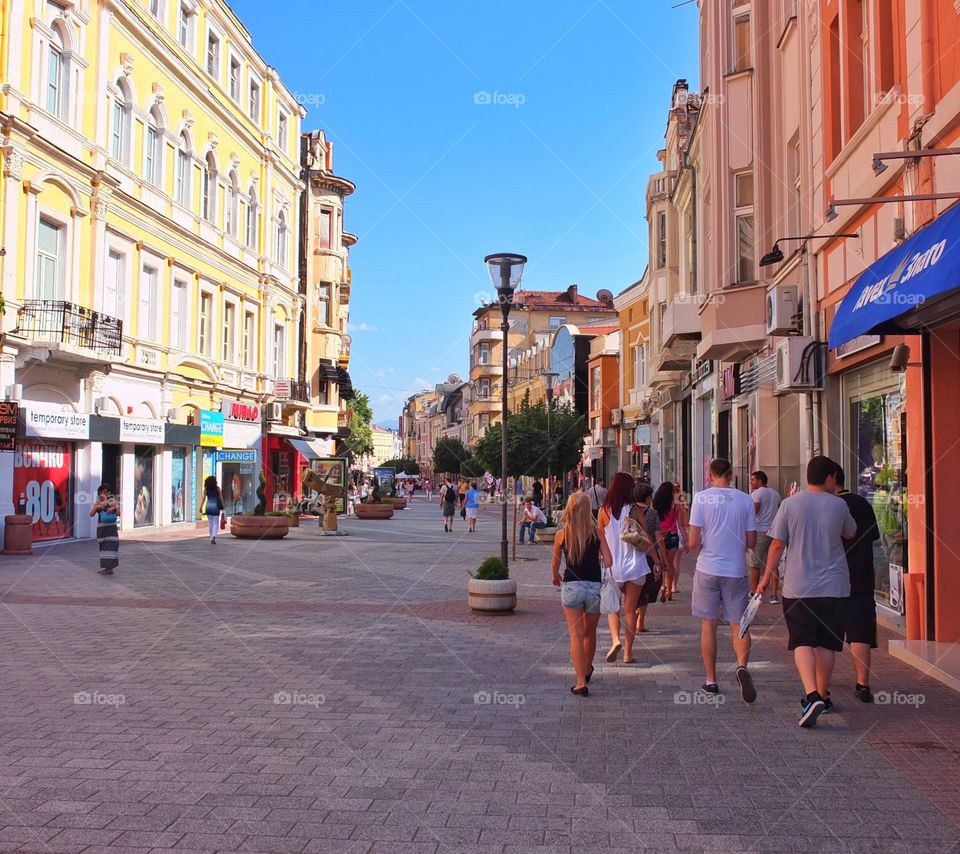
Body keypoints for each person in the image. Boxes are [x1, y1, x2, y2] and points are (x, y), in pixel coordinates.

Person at [757, 456, 858, 727]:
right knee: (826, 644)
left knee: (801, 641)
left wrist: (765, 578)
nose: (836, 484)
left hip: (798, 585)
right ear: (829, 478)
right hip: (834, 587)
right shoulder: (839, 505)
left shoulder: (790, 504)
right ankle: (821, 696)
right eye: (835, 479)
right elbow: (851, 532)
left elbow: (777, 545)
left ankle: (811, 694)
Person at [688, 458, 758, 703]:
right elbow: (751, 542)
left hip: (708, 567)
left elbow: (694, 541)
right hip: (736, 570)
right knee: (739, 623)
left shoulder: (701, 498)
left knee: (709, 624)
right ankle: (741, 666)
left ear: (709, 474)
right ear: (732, 475)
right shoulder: (745, 499)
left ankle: (711, 680)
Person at [551, 491, 614, 696]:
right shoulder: (597, 532)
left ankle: (580, 683)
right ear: (588, 510)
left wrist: (555, 577)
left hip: (571, 587)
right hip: (594, 587)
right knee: (590, 633)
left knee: (575, 636)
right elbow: (609, 561)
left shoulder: (562, 533)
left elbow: (554, 562)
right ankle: (587, 669)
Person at [834, 465, 880, 703]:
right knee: (860, 630)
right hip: (861, 574)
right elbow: (873, 536)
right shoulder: (862, 503)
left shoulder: (830, 506)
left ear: (831, 480)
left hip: (832, 577)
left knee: (827, 633)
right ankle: (863, 684)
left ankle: (821, 686)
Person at [598, 472, 649, 664]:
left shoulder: (604, 511)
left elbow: (600, 537)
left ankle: (615, 640)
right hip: (635, 565)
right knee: (630, 610)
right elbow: (645, 534)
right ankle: (628, 653)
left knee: (613, 607)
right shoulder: (635, 510)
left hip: (613, 567)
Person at [633, 482, 667, 633]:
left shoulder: (629, 511)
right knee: (646, 589)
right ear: (647, 498)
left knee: (633, 589)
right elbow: (659, 538)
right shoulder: (652, 514)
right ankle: (640, 620)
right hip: (649, 556)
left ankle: (633, 612)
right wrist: (663, 558)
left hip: (633, 555)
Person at [749, 471, 782, 602]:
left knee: (754, 563)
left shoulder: (757, 494)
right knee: (773, 564)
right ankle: (774, 594)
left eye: (753, 480)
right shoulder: (776, 494)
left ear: (760, 481)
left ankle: (754, 593)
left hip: (760, 530)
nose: (751, 483)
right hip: (774, 531)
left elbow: (753, 511)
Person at [653, 482, 682, 602]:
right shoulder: (676, 504)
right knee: (669, 565)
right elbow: (680, 522)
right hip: (673, 535)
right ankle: (669, 590)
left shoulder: (655, 504)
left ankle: (662, 586)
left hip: (660, 535)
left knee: (662, 563)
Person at [90, 484, 120, 575]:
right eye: (103, 492)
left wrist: (114, 508)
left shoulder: (113, 501)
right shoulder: (97, 502)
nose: (105, 494)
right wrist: (97, 507)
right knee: (104, 548)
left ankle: (110, 569)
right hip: (102, 530)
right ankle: (107, 568)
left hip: (111, 530)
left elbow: (119, 513)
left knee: (111, 547)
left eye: (107, 492)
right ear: (99, 493)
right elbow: (91, 514)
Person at [671, 482, 690, 593]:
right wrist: (687, 540)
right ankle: (674, 585)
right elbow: (684, 524)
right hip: (679, 534)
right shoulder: (681, 507)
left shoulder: (665, 506)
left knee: (669, 562)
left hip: (668, 535)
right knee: (676, 562)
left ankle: (667, 585)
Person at [203, 475, 225, 544]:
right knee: (215, 522)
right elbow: (221, 498)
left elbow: (203, 499)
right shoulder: (218, 489)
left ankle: (211, 536)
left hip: (208, 506)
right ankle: (214, 536)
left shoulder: (206, 490)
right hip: (215, 507)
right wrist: (223, 506)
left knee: (210, 523)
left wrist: (201, 507)